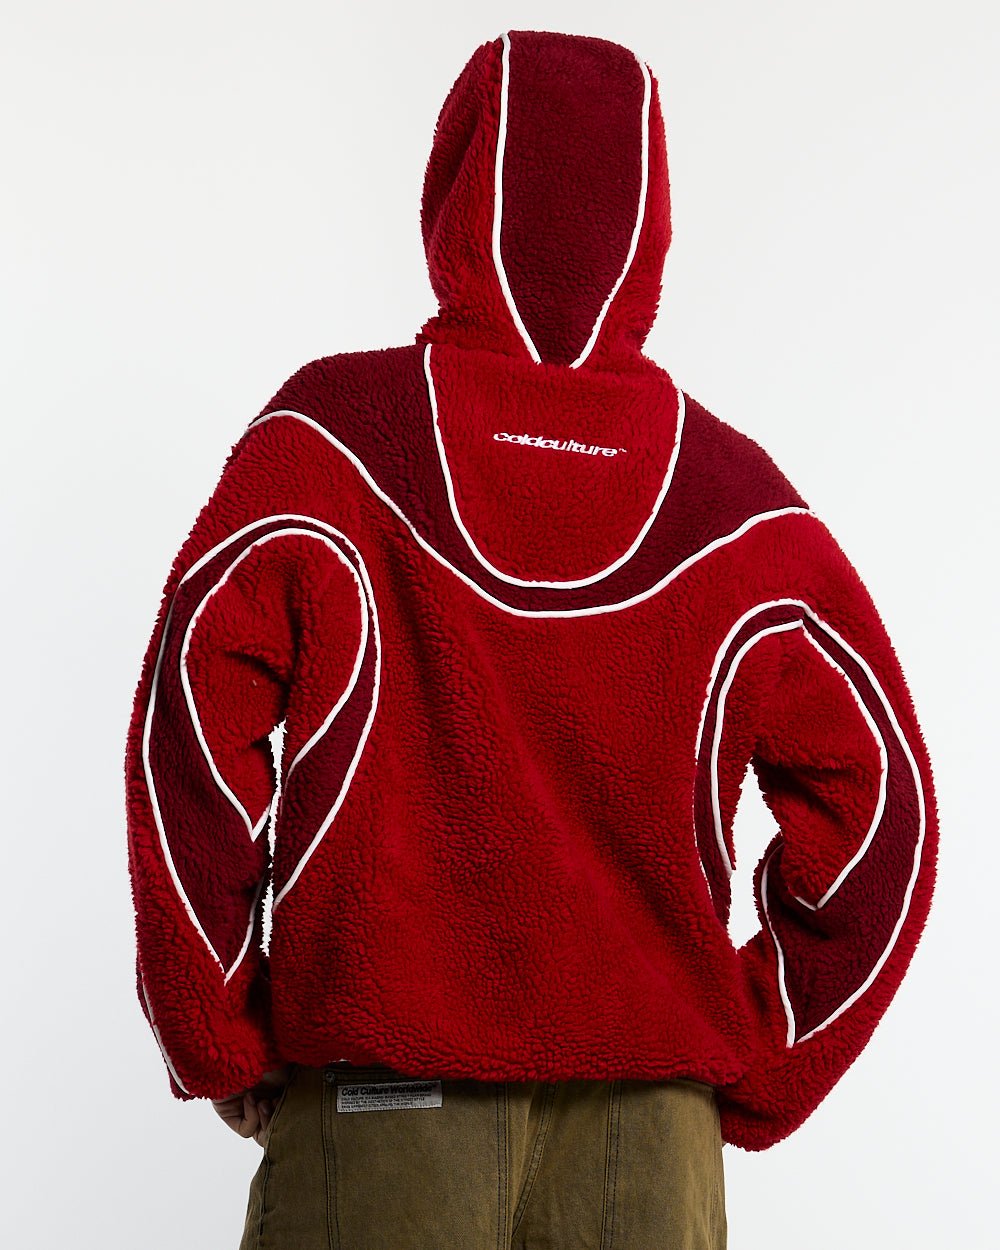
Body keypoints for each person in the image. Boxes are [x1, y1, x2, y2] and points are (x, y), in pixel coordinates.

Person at [123, 27, 938, 1249]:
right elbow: (883, 817)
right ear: (648, 225)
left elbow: (187, 727)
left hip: (378, 1104)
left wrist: (220, 1027)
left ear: (451, 191)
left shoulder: (334, 443)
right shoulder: (735, 505)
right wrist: (753, 1057)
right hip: (647, 1138)